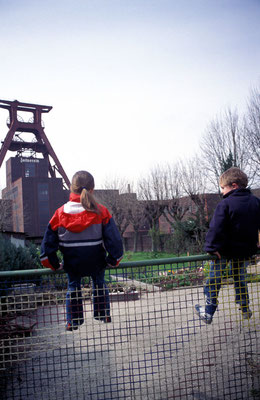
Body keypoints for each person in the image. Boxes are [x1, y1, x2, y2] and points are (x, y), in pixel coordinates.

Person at [40, 170, 123, 331]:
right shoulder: (101, 211)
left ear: (71, 189)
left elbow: (46, 247)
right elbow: (115, 241)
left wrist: (54, 265)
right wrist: (114, 260)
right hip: (96, 261)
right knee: (99, 283)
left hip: (72, 263)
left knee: (73, 286)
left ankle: (73, 321)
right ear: (92, 189)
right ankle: (103, 313)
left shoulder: (59, 213)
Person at [195, 167, 260, 324]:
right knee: (240, 278)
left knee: (214, 279)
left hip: (224, 251)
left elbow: (216, 228)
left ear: (234, 185)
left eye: (223, 188)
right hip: (245, 251)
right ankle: (244, 307)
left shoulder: (225, 204)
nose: (222, 191)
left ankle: (209, 311)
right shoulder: (256, 202)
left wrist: (211, 248)